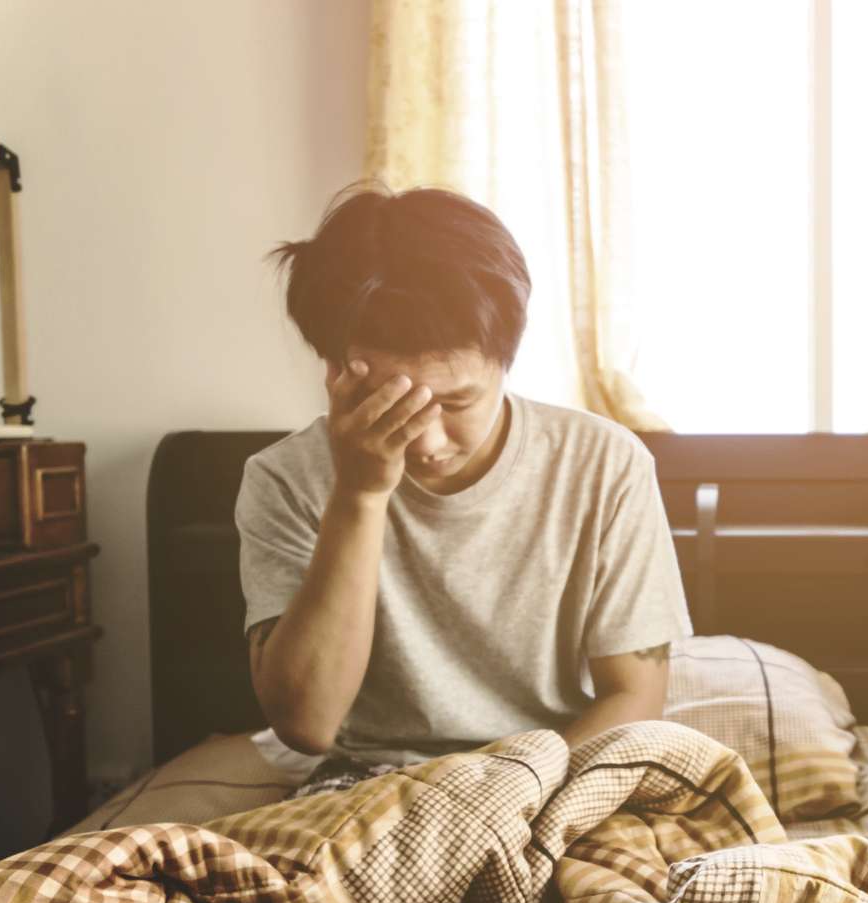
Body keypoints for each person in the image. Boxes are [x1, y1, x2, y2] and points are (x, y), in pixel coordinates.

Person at [235, 184, 691, 772]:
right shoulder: (285, 480)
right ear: (333, 368)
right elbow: (306, 724)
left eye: (455, 403)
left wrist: (503, 796)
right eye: (387, 401)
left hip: (561, 777)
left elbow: (634, 698)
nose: (425, 443)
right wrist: (360, 494)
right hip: (376, 787)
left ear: (507, 362)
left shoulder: (604, 464)